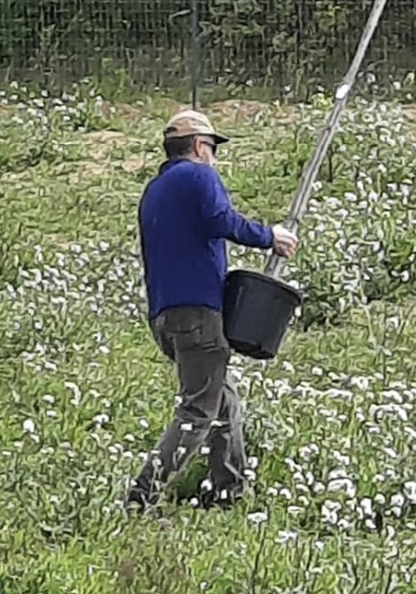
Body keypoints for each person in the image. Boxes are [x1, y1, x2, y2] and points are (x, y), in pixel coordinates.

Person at [125, 108, 298, 511]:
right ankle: (142, 494)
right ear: (201, 147)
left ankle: (228, 491)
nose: (215, 158)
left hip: (165, 315)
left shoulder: (155, 189)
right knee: (197, 410)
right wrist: (269, 237)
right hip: (198, 314)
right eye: (213, 149)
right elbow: (222, 220)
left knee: (224, 402)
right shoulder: (198, 176)